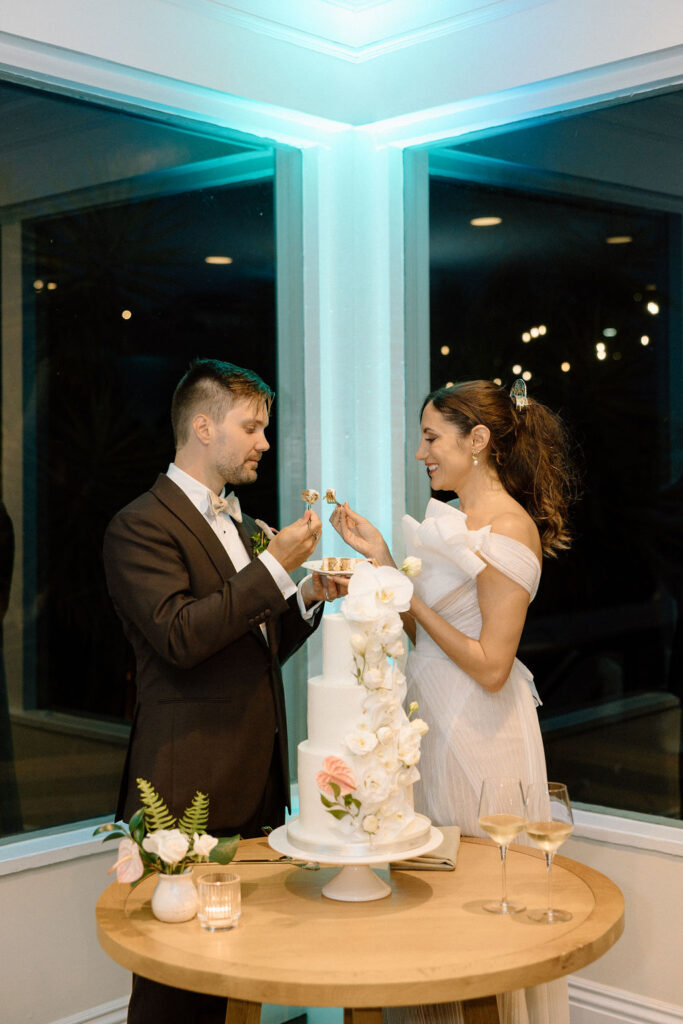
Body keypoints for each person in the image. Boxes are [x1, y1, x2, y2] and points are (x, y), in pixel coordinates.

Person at [103, 358, 341, 1024]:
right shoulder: (138, 525)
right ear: (203, 427)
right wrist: (273, 566)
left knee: (239, 974)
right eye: (252, 427)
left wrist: (307, 596)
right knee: (175, 991)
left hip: (254, 782)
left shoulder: (238, 524)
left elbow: (252, 648)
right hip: (184, 793)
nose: (265, 442)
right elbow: (180, 638)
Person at [331, 378, 576, 1024]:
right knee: (431, 912)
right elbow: (427, 639)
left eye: (430, 437)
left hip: (480, 735)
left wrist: (406, 597)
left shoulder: (509, 530)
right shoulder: (455, 523)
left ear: (477, 440)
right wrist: (383, 558)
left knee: (478, 920)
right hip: (430, 726)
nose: (420, 453)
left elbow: (491, 666)